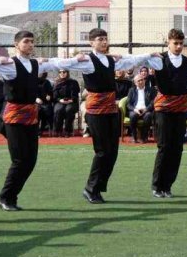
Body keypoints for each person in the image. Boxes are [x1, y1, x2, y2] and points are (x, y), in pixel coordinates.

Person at [0, 31, 72, 211]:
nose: (30, 45)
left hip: (31, 117)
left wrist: (77, 58)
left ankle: (11, 196)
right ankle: (5, 197)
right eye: (26, 42)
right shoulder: (10, 65)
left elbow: (56, 63)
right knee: (19, 160)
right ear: (16, 45)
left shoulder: (35, 64)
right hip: (14, 117)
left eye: (32, 41)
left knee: (30, 160)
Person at [53, 28, 153, 203]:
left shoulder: (110, 60)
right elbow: (63, 63)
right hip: (95, 111)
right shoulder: (86, 61)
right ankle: (90, 189)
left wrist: (148, 54)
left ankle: (98, 188)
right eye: (100, 39)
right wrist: (48, 61)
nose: (104, 42)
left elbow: (131, 60)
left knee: (112, 151)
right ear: (91, 42)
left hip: (111, 110)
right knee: (102, 151)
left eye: (106, 39)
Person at [143, 28, 187, 198]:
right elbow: (140, 62)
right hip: (163, 109)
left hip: (180, 108)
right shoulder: (159, 59)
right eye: (176, 43)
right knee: (164, 147)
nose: (179, 46)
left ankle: (168, 186)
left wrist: (179, 95)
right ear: (168, 42)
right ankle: (157, 186)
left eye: (181, 43)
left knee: (177, 148)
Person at [126, 73, 156, 143]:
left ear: (144, 81)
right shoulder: (131, 90)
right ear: (135, 83)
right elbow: (128, 104)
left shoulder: (151, 90)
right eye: (138, 81)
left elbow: (153, 102)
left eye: (142, 80)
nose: (141, 81)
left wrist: (146, 109)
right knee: (132, 116)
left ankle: (144, 137)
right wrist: (134, 109)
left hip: (146, 110)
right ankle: (134, 137)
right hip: (135, 110)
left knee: (148, 116)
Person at [51, 69, 80, 137]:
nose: (62, 73)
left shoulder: (73, 82)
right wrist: (60, 100)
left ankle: (68, 131)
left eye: (64, 72)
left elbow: (75, 94)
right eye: (60, 72)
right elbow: (54, 96)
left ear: (67, 73)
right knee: (58, 110)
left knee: (68, 110)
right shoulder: (56, 83)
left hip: (72, 102)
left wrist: (71, 100)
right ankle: (58, 131)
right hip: (60, 101)